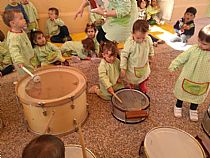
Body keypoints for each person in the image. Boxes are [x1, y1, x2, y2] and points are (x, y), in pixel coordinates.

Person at [168, 24, 210, 122]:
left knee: (198, 94)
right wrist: (174, 65)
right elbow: (182, 57)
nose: (200, 44)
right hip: (188, 76)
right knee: (182, 91)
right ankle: (178, 105)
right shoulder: (193, 49)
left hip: (203, 80)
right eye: (199, 41)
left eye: (204, 44)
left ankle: (193, 108)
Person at [120, 19, 154, 94]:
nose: (141, 40)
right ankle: (131, 84)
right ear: (132, 33)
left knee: (144, 75)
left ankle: (142, 83)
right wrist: (123, 67)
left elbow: (151, 47)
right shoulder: (130, 43)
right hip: (133, 65)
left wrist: (151, 55)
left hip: (143, 63)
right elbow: (124, 55)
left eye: (143, 37)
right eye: (138, 38)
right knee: (131, 77)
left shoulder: (148, 39)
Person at [2, 10, 38, 78]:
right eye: (21, 18)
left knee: (32, 69)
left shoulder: (21, 31)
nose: (24, 20)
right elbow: (14, 50)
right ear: (13, 23)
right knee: (26, 76)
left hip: (28, 57)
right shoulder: (14, 37)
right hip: (22, 62)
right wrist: (19, 61)